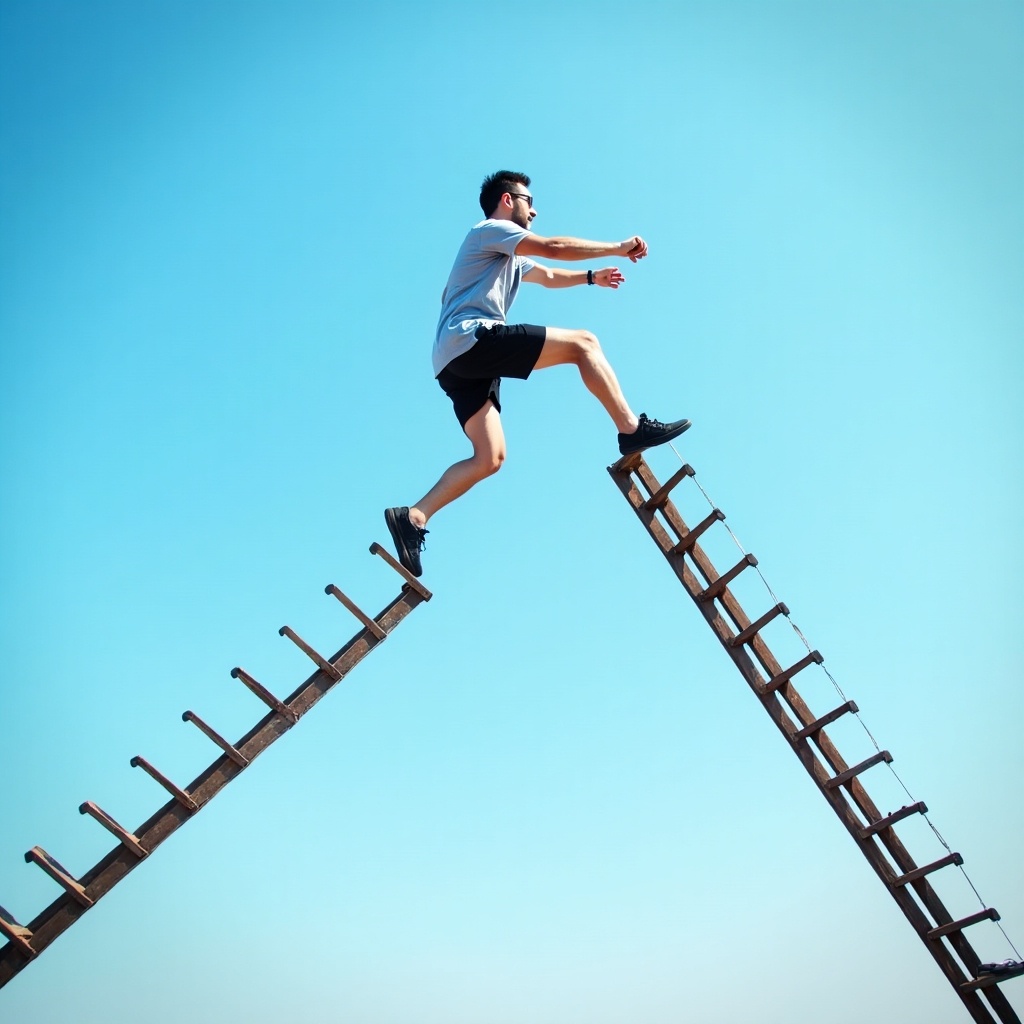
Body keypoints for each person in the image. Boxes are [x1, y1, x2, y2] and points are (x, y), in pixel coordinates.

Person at [385, 170, 691, 577]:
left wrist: (589, 278)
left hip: (454, 364)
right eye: (528, 200)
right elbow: (554, 248)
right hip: (471, 339)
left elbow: (546, 274)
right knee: (584, 344)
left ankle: (414, 517)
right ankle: (631, 428)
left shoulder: (506, 253)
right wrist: (617, 249)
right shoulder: (490, 230)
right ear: (508, 201)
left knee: (489, 457)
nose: (535, 209)